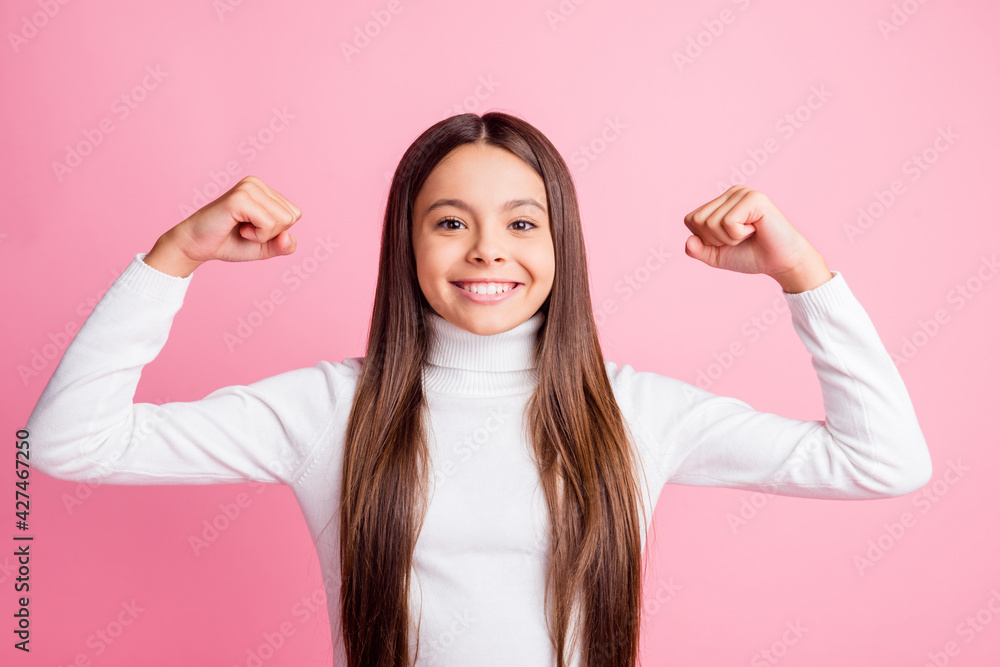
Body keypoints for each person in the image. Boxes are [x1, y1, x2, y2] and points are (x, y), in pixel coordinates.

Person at [25, 111, 932, 666]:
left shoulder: (636, 413)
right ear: (408, 247)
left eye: (521, 222)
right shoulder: (327, 411)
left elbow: (884, 460)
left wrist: (802, 273)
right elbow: (69, 443)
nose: (488, 250)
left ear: (559, 245)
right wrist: (174, 257)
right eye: (451, 221)